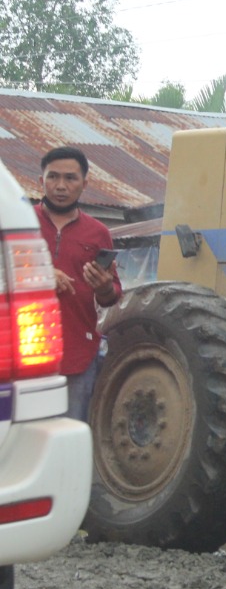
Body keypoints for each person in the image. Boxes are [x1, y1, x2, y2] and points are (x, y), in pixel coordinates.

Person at [35, 146, 122, 423]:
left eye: (70, 178)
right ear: (41, 181)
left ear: (84, 183)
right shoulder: (19, 223)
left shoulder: (98, 233)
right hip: (24, 353)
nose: (61, 186)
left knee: (69, 438)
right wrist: (41, 274)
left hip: (78, 354)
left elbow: (112, 297)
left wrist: (104, 286)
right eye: (53, 177)